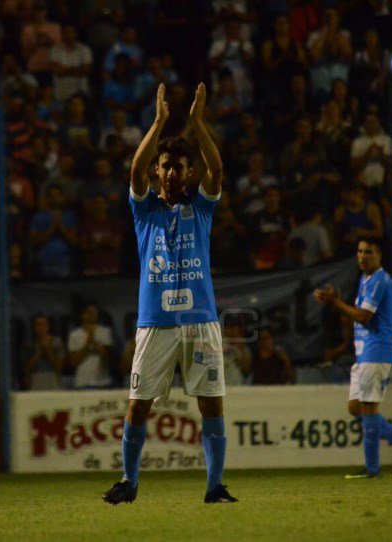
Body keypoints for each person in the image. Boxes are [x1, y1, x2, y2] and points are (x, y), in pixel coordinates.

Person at [102, 84, 238, 505]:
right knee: (137, 407)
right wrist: (159, 123)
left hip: (200, 321)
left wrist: (197, 124)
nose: (173, 172)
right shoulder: (145, 211)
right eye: (166, 166)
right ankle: (129, 482)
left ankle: (214, 487)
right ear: (157, 172)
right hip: (155, 324)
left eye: (180, 166)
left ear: (188, 172)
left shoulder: (202, 206)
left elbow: (218, 172)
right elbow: (132, 172)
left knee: (211, 407)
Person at [313, 236, 392, 479]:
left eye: (368, 252)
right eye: (359, 251)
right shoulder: (365, 278)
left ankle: (372, 469)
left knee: (369, 407)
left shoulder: (380, 280)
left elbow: (363, 317)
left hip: (378, 349)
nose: (362, 256)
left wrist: (337, 303)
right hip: (365, 352)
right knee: (355, 408)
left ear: (379, 255)